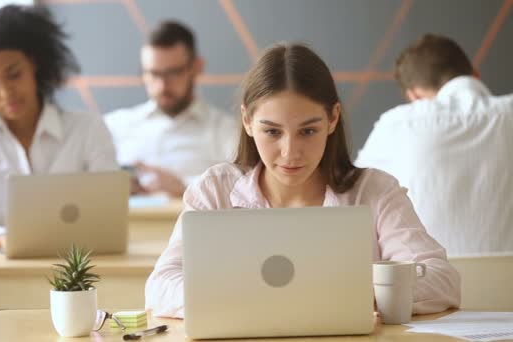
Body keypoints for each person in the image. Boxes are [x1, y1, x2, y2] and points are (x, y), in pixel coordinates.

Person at [145, 43, 461, 319]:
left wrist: (355, 296)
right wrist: (258, 300)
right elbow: (161, 286)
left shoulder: (375, 191)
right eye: (272, 131)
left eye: (308, 131)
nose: (290, 152)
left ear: (333, 118)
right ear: (247, 121)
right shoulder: (215, 190)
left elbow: (441, 279)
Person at [0, 5, 118, 252]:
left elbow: (110, 211)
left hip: (79, 264)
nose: (6, 93)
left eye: (14, 74)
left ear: (35, 64)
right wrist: (0, 239)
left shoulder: (87, 129)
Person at [356, 34, 513, 256]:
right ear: (475, 75)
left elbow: (352, 196)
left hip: (425, 284)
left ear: (414, 95)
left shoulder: (399, 123)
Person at [105, 20, 236, 198]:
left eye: (173, 73)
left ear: (197, 67)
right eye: (153, 74)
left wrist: (184, 186)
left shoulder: (226, 131)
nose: (162, 85)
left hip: (191, 224)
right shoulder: (114, 125)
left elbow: (244, 188)